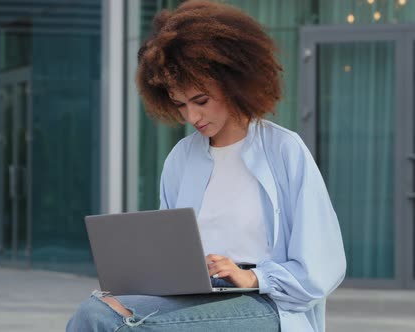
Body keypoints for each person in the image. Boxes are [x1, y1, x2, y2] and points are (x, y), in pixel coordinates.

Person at [67, 1, 346, 331]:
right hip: (195, 295)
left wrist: (250, 276)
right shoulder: (181, 158)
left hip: (268, 302)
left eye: (200, 100)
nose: (191, 117)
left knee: (141, 328)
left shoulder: (284, 150)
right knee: (94, 313)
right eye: (180, 105)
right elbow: (170, 251)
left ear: (232, 83)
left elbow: (322, 266)